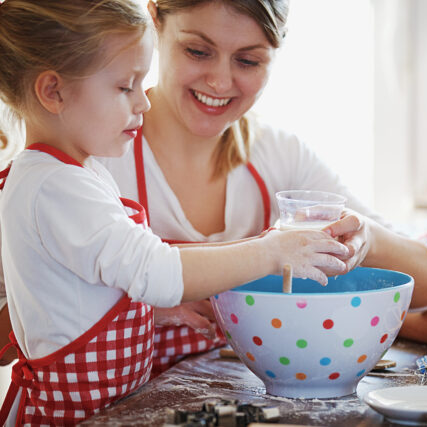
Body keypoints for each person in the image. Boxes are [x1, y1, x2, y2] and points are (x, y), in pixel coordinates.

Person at [0, 1, 348, 424]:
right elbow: (155, 269)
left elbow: (73, 294)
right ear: (53, 91)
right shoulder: (56, 187)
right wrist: (273, 251)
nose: (142, 103)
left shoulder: (75, 172)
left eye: (140, 83)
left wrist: (153, 313)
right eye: (124, 87)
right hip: (72, 417)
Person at [95, 0, 427, 375]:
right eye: (197, 51)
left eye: (248, 61)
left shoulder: (280, 156)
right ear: (155, 24)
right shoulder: (98, 153)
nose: (220, 82)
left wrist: (366, 238)